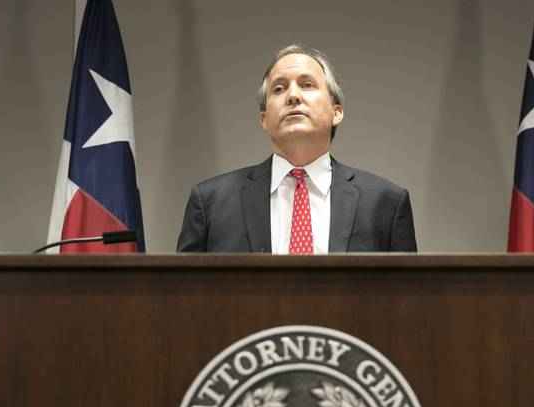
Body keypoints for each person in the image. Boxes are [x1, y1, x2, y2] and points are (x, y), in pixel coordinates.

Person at [177, 44, 417, 253]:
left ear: (337, 112)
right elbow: (184, 298)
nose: (293, 96)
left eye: (307, 84)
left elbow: (408, 301)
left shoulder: (386, 204)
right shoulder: (211, 203)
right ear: (263, 118)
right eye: (279, 89)